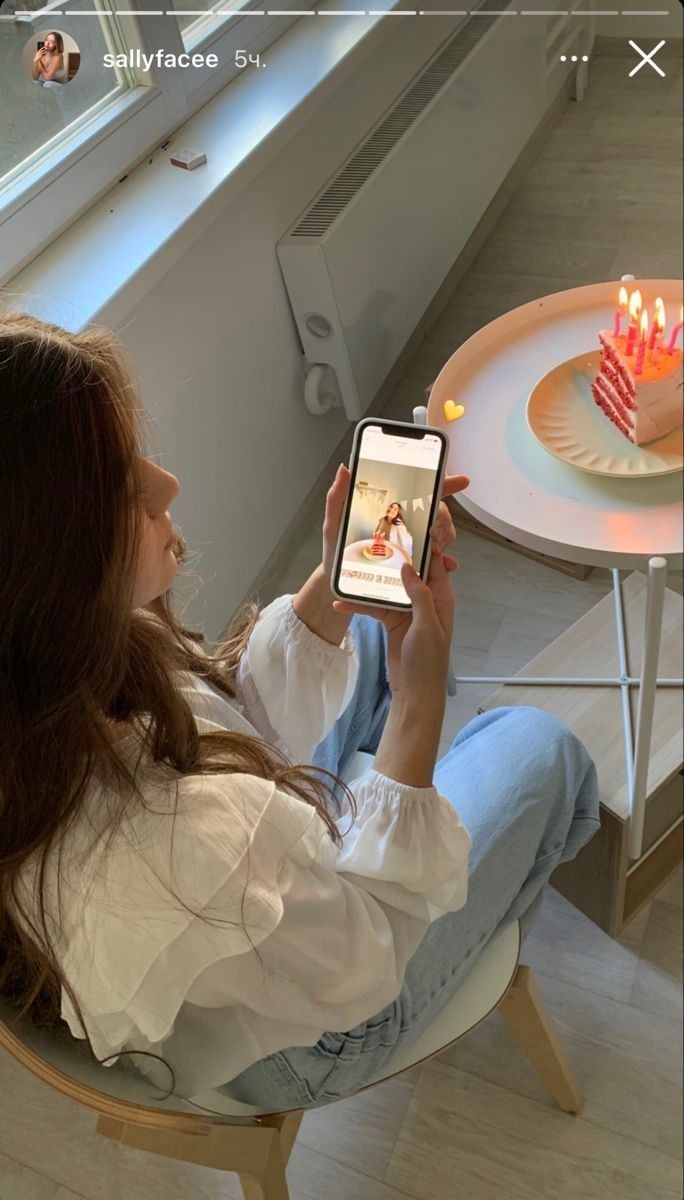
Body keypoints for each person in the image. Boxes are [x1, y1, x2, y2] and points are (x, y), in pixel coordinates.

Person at [0, 313, 600, 1113]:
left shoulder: (45, 677)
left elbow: (217, 722)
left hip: (248, 925)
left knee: (377, 637)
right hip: (309, 1028)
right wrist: (420, 707)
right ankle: (469, 910)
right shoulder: (173, 848)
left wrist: (332, 592)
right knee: (539, 745)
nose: (167, 484)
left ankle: (438, 842)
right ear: (45, 561)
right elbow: (371, 950)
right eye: (121, 483)